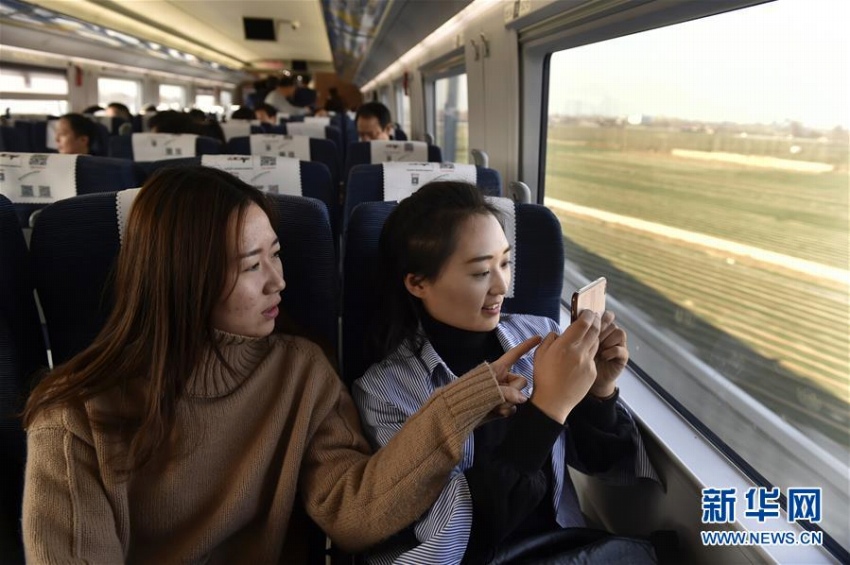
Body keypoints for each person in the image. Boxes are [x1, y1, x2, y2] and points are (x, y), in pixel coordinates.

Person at [21, 166, 537, 562]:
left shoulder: (301, 373)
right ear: (185, 279)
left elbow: (351, 513)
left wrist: (465, 401)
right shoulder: (75, 417)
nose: (278, 282)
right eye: (252, 266)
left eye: (278, 254)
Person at [353, 181, 658, 564]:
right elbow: (455, 536)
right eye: (481, 272)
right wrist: (545, 411)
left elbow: (605, 464)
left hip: (563, 548)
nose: (502, 286)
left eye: (506, 262)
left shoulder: (540, 336)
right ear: (418, 283)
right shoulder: (384, 392)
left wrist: (599, 391)